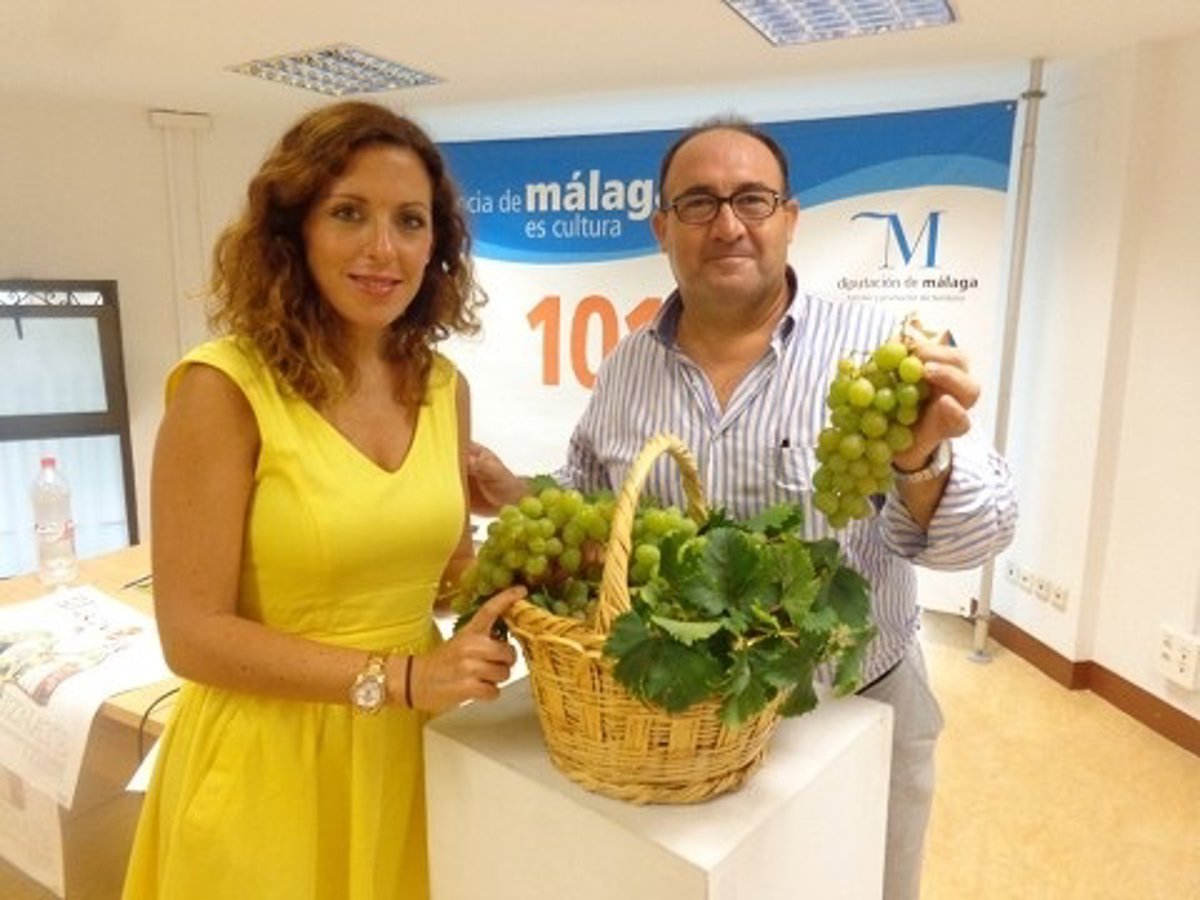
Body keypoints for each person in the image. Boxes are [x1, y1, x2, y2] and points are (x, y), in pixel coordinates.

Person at [469, 116, 1018, 900]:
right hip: (686, 731)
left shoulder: (882, 353)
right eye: (698, 203)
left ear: (789, 218)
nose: (727, 225)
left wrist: (921, 463)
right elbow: (593, 500)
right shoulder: (626, 366)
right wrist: (516, 492)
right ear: (662, 228)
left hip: (852, 712)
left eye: (752, 200)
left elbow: (979, 537)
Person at [123, 101, 522, 900]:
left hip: (409, 757)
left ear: (436, 244)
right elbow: (192, 635)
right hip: (269, 765)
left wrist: (523, 559)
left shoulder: (444, 388)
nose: (383, 248)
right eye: (349, 213)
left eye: (410, 221)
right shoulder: (223, 389)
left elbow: (444, 579)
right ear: (293, 229)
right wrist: (403, 679)